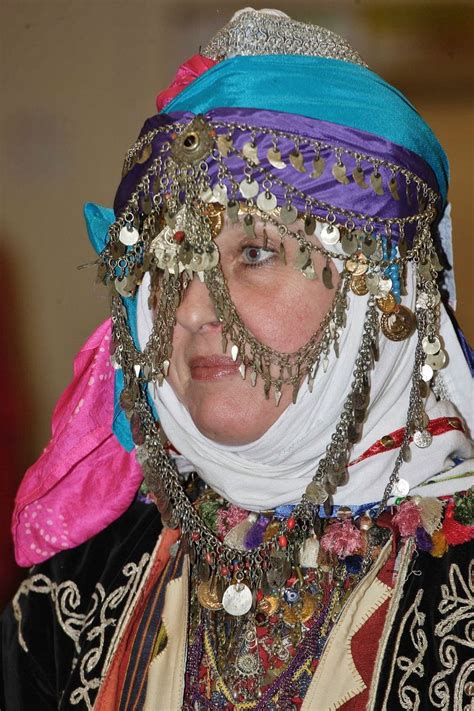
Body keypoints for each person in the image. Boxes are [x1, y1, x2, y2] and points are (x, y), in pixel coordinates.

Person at [1, 8, 473, 710]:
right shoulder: (72, 595)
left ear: (382, 292)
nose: (190, 309)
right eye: (169, 264)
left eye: (254, 254)